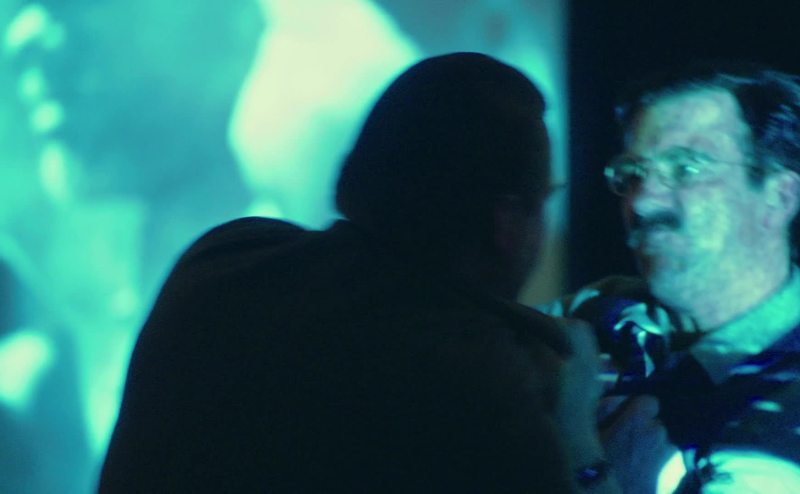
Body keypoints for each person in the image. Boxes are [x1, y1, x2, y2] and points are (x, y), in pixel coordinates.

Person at [97, 52, 654, 492]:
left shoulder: (223, 259)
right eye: (542, 203)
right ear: (506, 223)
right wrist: (577, 434)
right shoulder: (480, 384)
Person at [547, 65, 800, 492]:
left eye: (687, 168)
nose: (643, 202)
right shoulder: (600, 312)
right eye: (633, 173)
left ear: (779, 196)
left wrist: (583, 459)